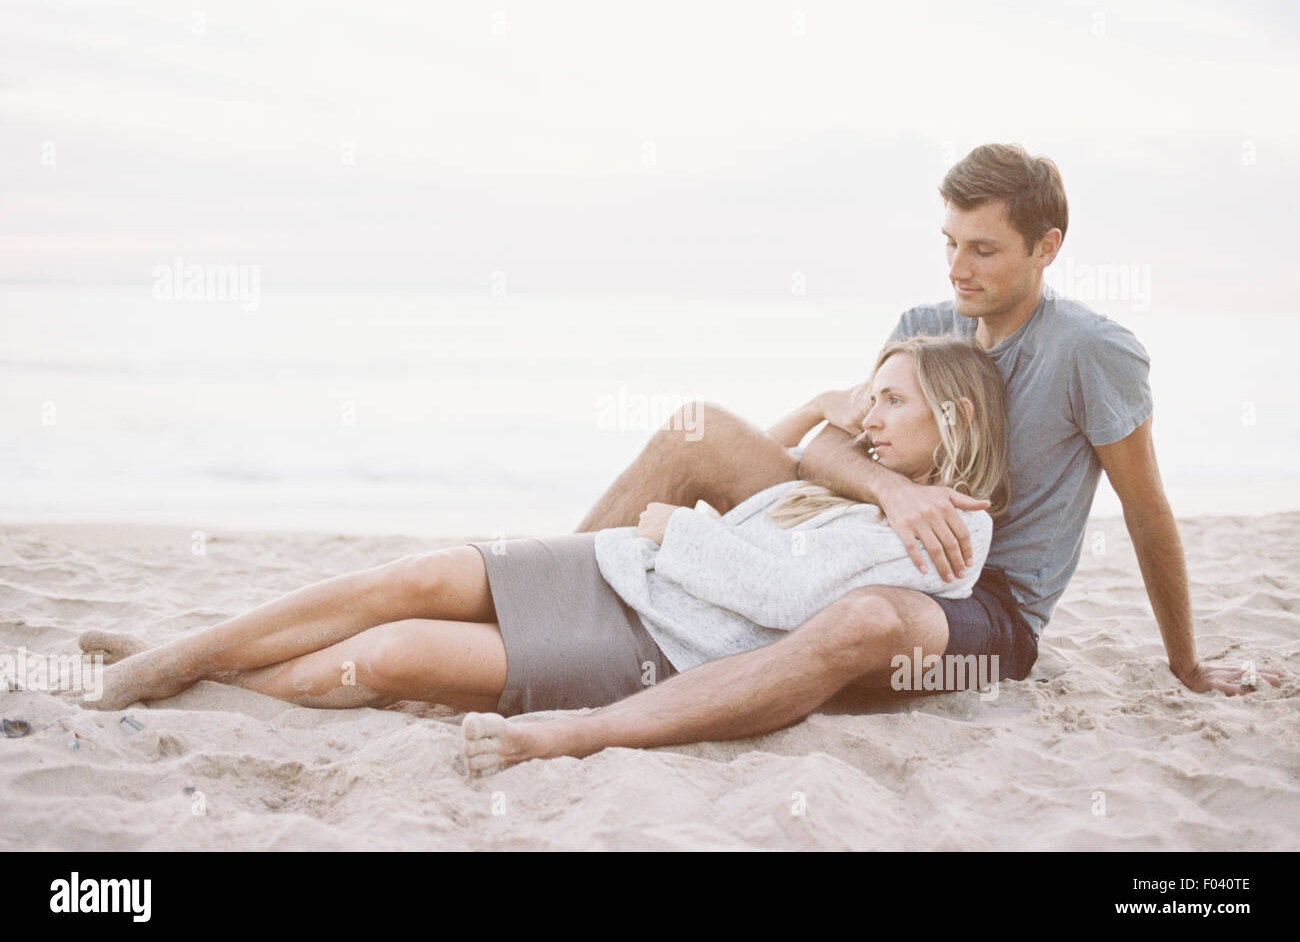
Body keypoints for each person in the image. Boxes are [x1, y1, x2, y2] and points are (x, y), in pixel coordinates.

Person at [454, 142, 1280, 777]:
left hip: (983, 607)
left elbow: (1146, 509)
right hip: (870, 531)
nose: (958, 269)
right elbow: (838, 443)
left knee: (863, 621)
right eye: (949, 242)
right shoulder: (927, 316)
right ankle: (530, 604)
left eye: (984, 250)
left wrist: (1186, 661)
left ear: (1047, 247)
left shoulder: (1094, 352)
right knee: (693, 429)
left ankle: (590, 728)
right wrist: (892, 490)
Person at [76, 336, 1009, 722]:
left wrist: (674, 526)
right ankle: (175, 656)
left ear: (956, 423)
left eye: (891, 402)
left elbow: (787, 598)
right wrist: (820, 411)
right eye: (870, 397)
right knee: (406, 577)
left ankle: (216, 689)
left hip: (656, 643)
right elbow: (768, 481)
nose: (869, 417)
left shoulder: (949, 533)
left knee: (393, 653)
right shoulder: (874, 483)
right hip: (618, 566)